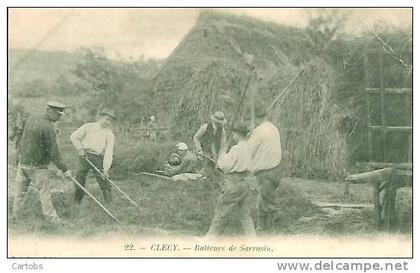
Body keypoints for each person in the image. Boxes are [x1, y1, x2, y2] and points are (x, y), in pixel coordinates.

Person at [12, 101, 72, 224]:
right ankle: (52, 218)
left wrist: (18, 153)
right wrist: (65, 170)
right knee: (44, 192)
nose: (59, 118)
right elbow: (54, 153)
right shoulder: (47, 127)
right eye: (58, 115)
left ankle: (16, 216)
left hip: (23, 162)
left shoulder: (31, 117)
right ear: (50, 111)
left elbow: (19, 133)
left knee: (19, 192)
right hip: (37, 166)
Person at [206, 124, 256, 237]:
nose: (233, 136)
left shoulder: (236, 149)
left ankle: (209, 240)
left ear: (237, 135)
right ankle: (253, 240)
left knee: (221, 211)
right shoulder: (251, 148)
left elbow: (226, 166)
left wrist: (221, 155)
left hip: (234, 182)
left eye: (234, 134)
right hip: (246, 182)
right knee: (245, 214)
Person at [70, 109, 116, 205]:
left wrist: (106, 169)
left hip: (98, 157)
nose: (108, 122)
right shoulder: (88, 126)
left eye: (110, 121)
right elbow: (74, 136)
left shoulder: (110, 134)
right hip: (85, 156)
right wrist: (80, 149)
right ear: (100, 117)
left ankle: (110, 205)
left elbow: (109, 152)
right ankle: (76, 203)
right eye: (107, 119)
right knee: (79, 177)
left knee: (103, 179)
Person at [247, 107, 282, 232]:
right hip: (276, 168)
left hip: (265, 170)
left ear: (257, 118)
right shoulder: (273, 128)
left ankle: (273, 228)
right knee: (264, 198)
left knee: (267, 201)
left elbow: (249, 150)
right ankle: (262, 226)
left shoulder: (258, 131)